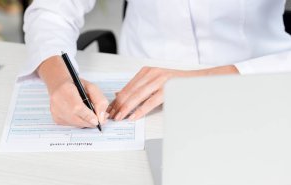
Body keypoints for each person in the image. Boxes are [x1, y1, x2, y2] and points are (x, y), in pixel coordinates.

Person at [23, 0, 291, 128]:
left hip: (259, 83)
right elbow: (50, 12)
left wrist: (209, 78)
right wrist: (60, 80)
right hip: (138, 100)